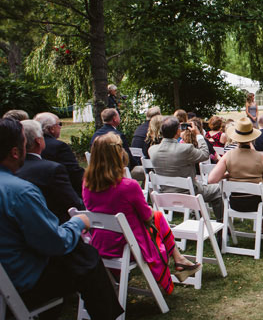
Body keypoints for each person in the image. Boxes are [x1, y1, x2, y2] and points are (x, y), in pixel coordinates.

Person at [0, 118, 131, 320]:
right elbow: (55, 244)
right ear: (14, 152)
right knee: (87, 258)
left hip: (9, 269)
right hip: (21, 280)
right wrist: (78, 223)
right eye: (23, 143)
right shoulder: (19, 192)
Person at [83, 133, 201, 294]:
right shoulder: (127, 186)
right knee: (157, 216)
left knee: (157, 217)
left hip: (98, 243)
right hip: (126, 245)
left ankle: (179, 259)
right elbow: (147, 216)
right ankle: (178, 259)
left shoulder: (87, 184)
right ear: (119, 154)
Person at [207, 118, 263, 230]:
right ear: (252, 137)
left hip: (235, 202)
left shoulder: (228, 156)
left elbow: (211, 179)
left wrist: (227, 175)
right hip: (257, 202)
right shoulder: (260, 157)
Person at [149, 116, 224, 220]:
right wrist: (198, 135)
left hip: (165, 194)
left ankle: (197, 217)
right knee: (218, 190)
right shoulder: (185, 149)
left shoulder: (152, 150)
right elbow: (205, 154)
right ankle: (221, 226)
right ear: (177, 131)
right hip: (189, 194)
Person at [16, 120, 83, 223]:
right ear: (38, 141)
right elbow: (72, 202)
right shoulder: (52, 169)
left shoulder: (12, 166)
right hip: (56, 224)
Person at [35, 111, 84, 196]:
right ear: (52, 129)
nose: (60, 127)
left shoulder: (31, 145)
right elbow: (74, 173)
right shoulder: (59, 146)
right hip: (62, 193)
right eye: (59, 124)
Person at [90, 108, 138, 174]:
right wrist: (136, 164)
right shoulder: (118, 136)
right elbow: (128, 156)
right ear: (114, 118)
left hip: (99, 169)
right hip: (117, 170)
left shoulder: (95, 135)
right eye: (118, 115)